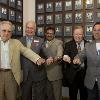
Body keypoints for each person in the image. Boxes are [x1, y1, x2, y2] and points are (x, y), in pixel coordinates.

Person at [0, 21, 45, 100]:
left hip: (11, 75)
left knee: (12, 97)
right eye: (4, 30)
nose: (6, 33)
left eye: (9, 31)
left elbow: (26, 51)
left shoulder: (16, 43)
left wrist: (37, 58)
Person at [20, 20, 54, 100]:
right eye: (28, 28)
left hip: (38, 74)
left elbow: (47, 53)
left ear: (35, 30)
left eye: (32, 28)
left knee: (39, 97)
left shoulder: (40, 40)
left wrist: (49, 58)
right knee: (25, 96)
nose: (29, 30)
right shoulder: (19, 41)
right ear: (25, 29)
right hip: (25, 75)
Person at [73, 22, 100, 100]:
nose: (96, 32)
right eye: (94, 30)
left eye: (99, 30)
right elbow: (80, 56)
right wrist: (77, 59)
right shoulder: (88, 45)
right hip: (90, 82)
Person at [63, 26, 88, 100]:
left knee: (84, 96)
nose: (78, 36)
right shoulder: (68, 44)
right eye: (76, 34)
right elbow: (65, 54)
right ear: (73, 35)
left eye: (80, 34)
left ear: (83, 35)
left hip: (85, 76)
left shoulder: (89, 44)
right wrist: (65, 57)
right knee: (72, 96)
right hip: (73, 76)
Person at [42, 27, 63, 100]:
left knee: (57, 96)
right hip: (45, 75)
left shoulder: (58, 42)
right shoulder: (42, 43)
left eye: (51, 33)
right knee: (48, 96)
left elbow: (59, 55)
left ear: (54, 35)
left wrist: (53, 59)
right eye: (48, 33)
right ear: (45, 34)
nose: (49, 35)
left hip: (56, 75)